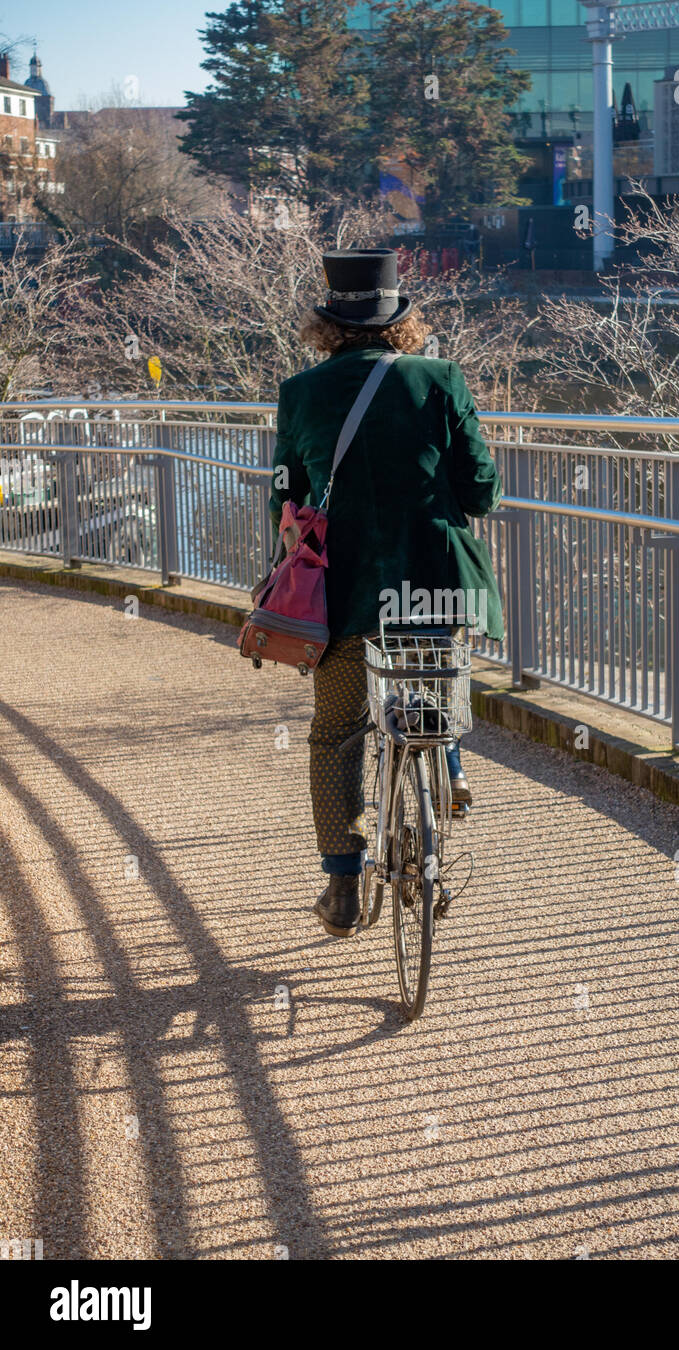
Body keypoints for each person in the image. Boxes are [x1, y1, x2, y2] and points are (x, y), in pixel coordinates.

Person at [270, 247, 503, 938]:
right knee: (428, 691)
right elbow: (481, 491)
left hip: (342, 595)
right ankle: (444, 764)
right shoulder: (441, 379)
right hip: (433, 586)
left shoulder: (301, 392)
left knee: (338, 733)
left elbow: (287, 500)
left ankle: (343, 886)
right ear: (401, 320)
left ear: (328, 324)